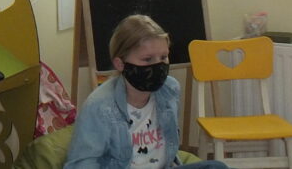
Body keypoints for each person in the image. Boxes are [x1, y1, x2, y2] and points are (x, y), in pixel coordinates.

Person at [64, 15, 228, 169]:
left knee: (216, 167)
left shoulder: (169, 90)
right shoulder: (99, 106)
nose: (158, 66)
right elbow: (81, 163)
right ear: (120, 64)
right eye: (147, 59)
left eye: (163, 57)